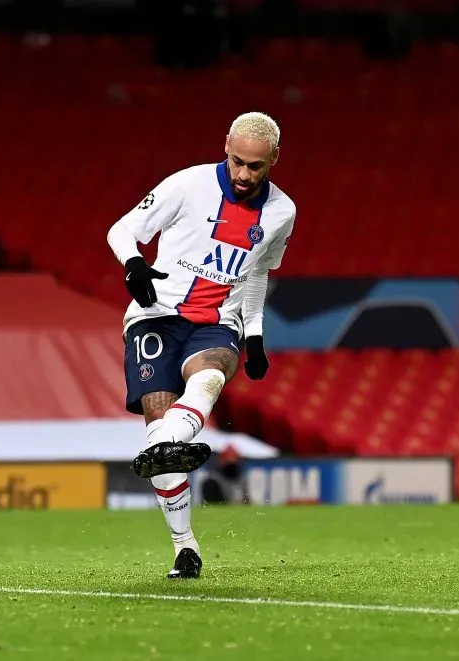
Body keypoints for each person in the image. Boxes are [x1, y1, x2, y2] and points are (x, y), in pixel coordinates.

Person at [105, 111, 296, 579]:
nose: (244, 175)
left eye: (256, 166)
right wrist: (133, 264)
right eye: (237, 162)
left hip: (216, 323)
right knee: (159, 417)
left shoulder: (281, 212)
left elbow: (256, 275)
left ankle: (171, 441)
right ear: (225, 145)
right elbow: (122, 229)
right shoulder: (188, 185)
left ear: (273, 159)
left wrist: (253, 333)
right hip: (155, 317)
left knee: (209, 376)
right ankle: (184, 546)